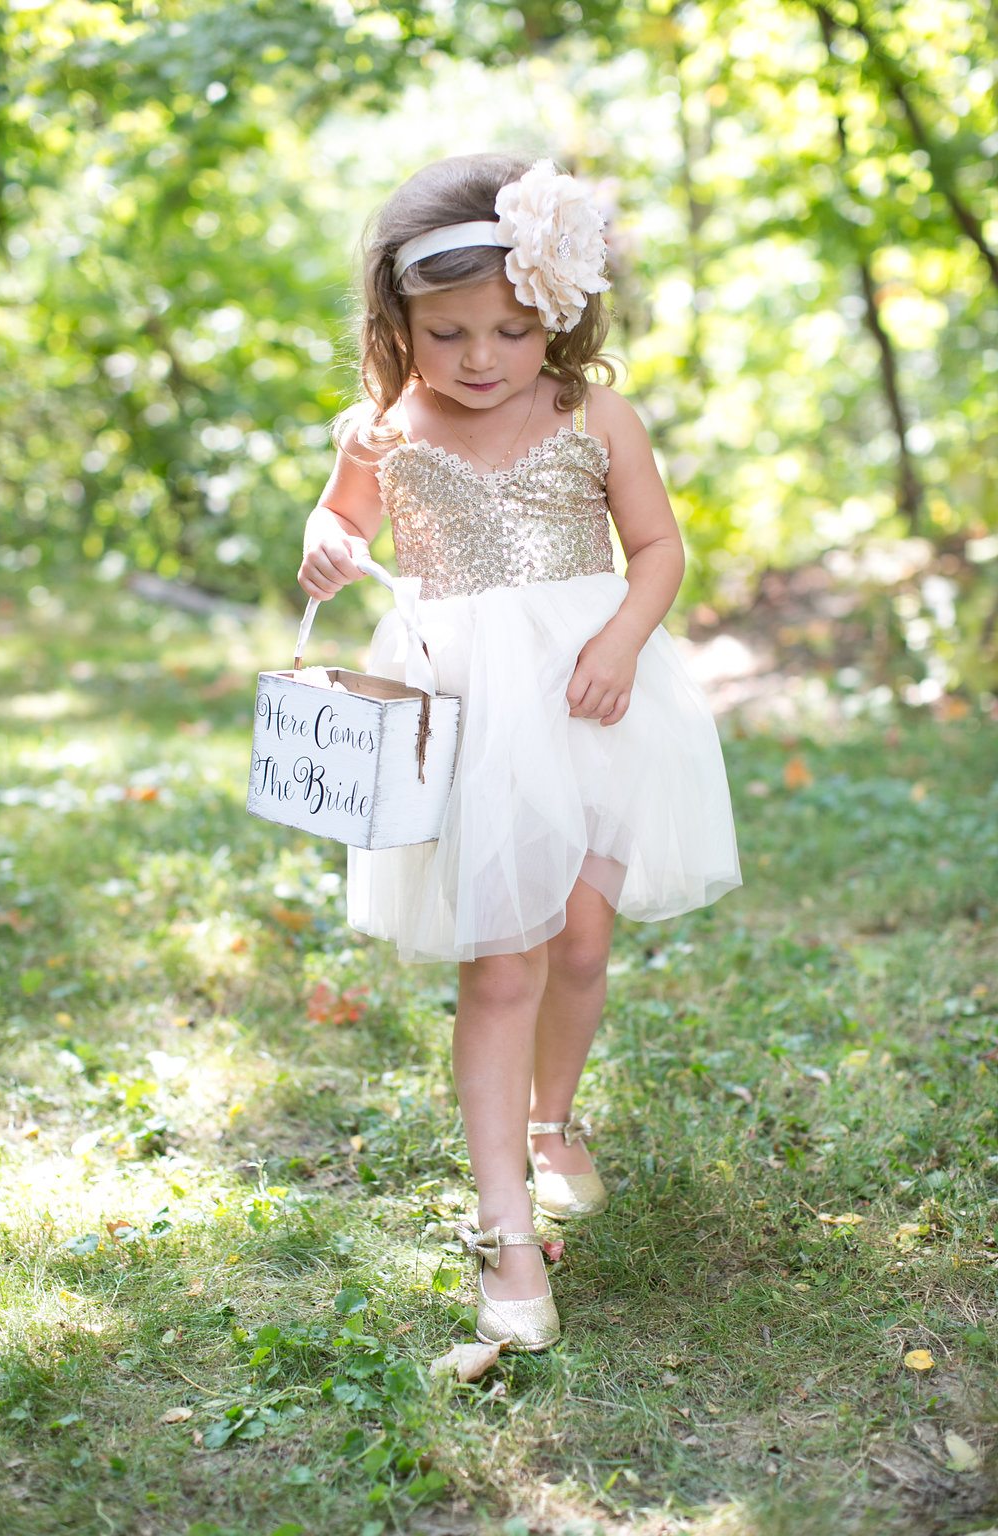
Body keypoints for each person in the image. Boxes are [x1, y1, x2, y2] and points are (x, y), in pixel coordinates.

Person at [298, 153, 740, 1351]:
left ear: (559, 313)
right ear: (400, 325)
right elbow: (341, 514)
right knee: (503, 965)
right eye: (447, 333)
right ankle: (502, 1226)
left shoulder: (591, 414)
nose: (480, 357)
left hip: (592, 699)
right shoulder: (388, 426)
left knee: (581, 947)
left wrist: (621, 638)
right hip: (471, 721)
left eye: (510, 329)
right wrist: (329, 543)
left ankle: (554, 1122)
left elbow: (656, 550)